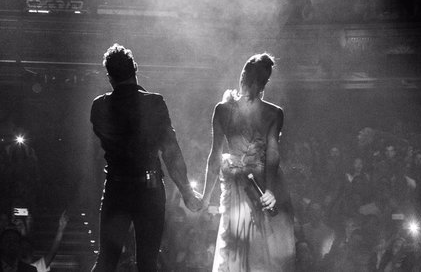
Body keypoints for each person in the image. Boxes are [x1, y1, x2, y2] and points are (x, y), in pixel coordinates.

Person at [90, 44, 203, 272]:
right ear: (135, 68)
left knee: (106, 261)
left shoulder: (99, 106)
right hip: (148, 190)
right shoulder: (153, 103)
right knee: (148, 262)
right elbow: (170, 151)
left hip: (116, 188)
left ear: (109, 77)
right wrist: (186, 191)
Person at [200, 53, 296, 272]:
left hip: (245, 183)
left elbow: (215, 156)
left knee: (240, 244)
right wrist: (270, 189)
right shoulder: (273, 113)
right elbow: (272, 154)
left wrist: (205, 198)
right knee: (260, 247)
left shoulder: (224, 110)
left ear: (242, 76)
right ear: (264, 83)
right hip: (254, 183)